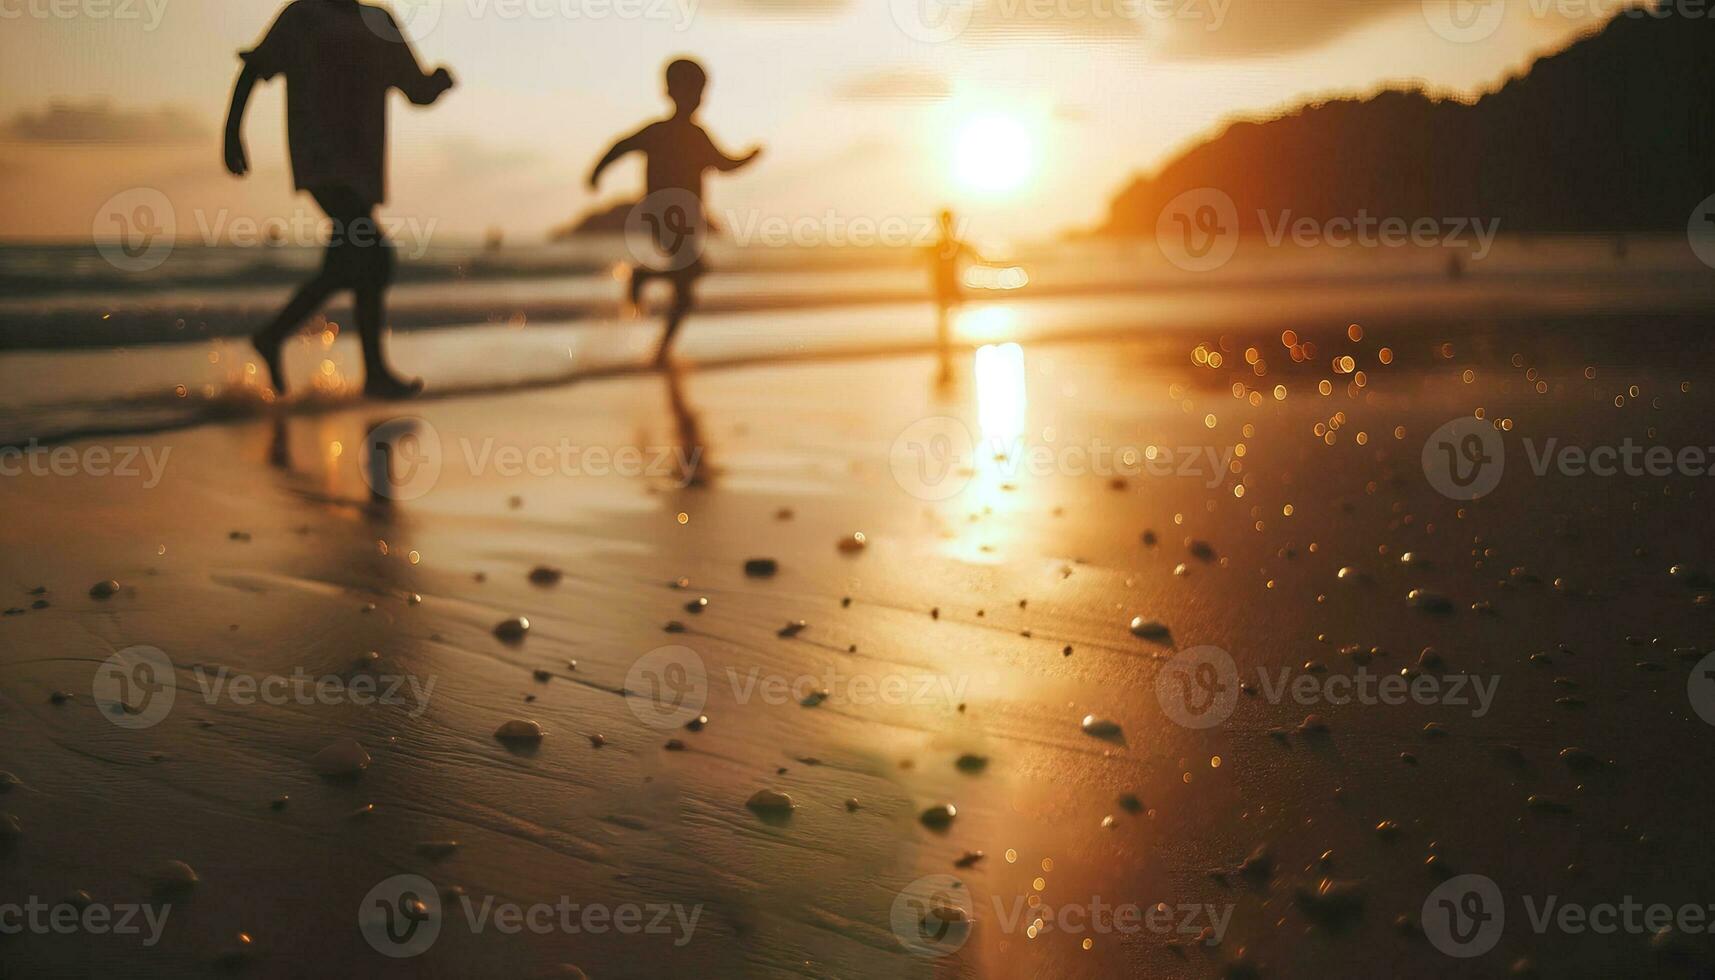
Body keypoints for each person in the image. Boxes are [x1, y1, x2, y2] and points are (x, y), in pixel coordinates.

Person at [224, 0, 456, 400]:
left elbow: (414, 88)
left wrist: (438, 83)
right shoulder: (303, 17)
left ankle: (273, 336)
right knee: (375, 256)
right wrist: (232, 132)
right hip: (321, 161)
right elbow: (256, 68)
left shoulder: (379, 21)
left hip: (362, 166)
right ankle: (375, 373)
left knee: (349, 266)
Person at [589, 58, 762, 368]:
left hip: (686, 218)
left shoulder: (696, 135)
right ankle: (642, 279)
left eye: (700, 92)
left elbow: (723, 164)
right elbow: (621, 146)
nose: (697, 99)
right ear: (670, 92)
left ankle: (660, 352)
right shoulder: (661, 132)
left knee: (687, 288)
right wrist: (597, 171)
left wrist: (747, 158)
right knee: (690, 276)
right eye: (691, 92)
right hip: (664, 214)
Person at [929, 209, 983, 382]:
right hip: (945, 284)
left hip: (947, 284)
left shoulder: (943, 244)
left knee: (945, 319)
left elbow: (972, 253)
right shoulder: (946, 244)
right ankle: (953, 345)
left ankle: (949, 347)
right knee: (946, 319)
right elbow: (973, 254)